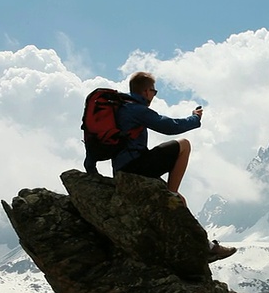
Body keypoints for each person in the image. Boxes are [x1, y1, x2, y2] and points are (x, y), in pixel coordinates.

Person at [86, 71, 236, 263]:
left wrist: (90, 169)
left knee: (179, 202)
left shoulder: (119, 109)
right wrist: (194, 119)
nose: (153, 95)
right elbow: (168, 126)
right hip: (135, 167)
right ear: (146, 91)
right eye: (154, 92)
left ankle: (204, 246)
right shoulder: (136, 109)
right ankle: (171, 194)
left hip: (122, 170)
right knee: (184, 145)